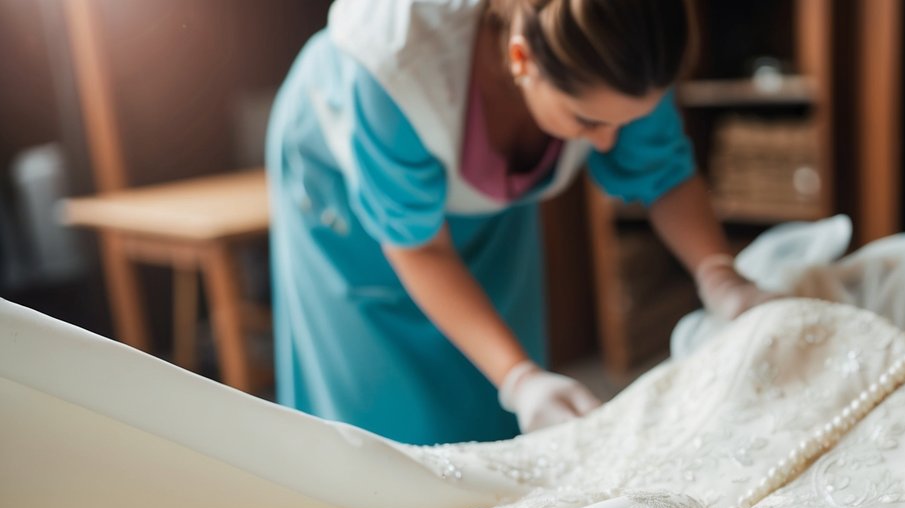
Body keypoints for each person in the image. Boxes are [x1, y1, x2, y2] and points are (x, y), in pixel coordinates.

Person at [266, 0, 777, 445]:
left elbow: (664, 173)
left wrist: (720, 276)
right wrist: (521, 380)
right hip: (350, 198)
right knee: (388, 412)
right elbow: (421, 249)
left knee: (492, 398)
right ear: (521, 59)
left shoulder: (628, 50)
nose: (607, 142)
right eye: (588, 121)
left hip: (483, 198)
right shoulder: (394, 65)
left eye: (626, 122)